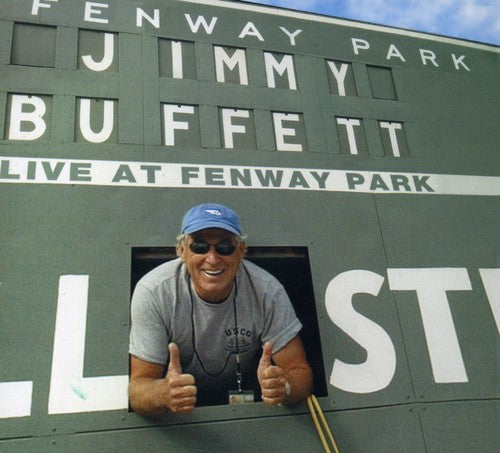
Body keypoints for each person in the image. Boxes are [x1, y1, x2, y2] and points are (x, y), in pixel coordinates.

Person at [129, 203, 313, 415]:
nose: (213, 259)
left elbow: (300, 372)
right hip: (181, 416)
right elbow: (138, 389)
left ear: (242, 251)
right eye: (200, 247)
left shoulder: (267, 291)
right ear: (181, 250)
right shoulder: (154, 290)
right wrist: (164, 393)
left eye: (225, 247)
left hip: (245, 405)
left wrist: (285, 386)